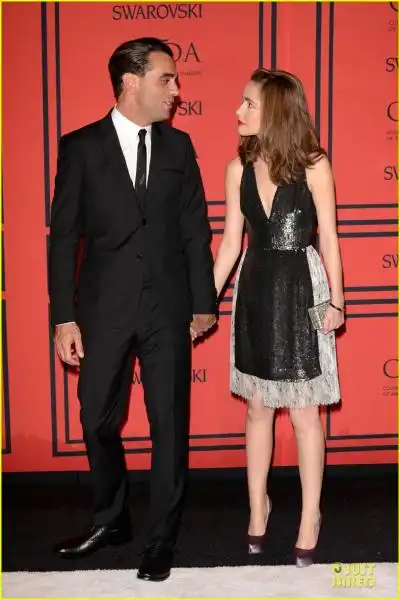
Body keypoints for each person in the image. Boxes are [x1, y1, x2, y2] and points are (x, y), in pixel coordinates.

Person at [49, 37, 216, 581]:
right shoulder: (80, 147)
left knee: (169, 425)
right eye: (166, 79)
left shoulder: (179, 147)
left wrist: (202, 303)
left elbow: (195, 231)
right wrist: (64, 316)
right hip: (102, 309)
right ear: (130, 82)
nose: (176, 90)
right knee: (96, 417)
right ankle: (111, 517)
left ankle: (161, 538)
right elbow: (63, 238)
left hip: (168, 309)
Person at [213, 69, 344, 567]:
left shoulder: (314, 167)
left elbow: (328, 238)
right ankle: (257, 508)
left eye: (248, 103)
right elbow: (229, 245)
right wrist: (204, 301)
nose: (238, 112)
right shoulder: (235, 169)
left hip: (303, 287)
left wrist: (338, 302)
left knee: (307, 413)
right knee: (256, 409)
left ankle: (311, 515)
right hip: (256, 288)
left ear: (275, 111)